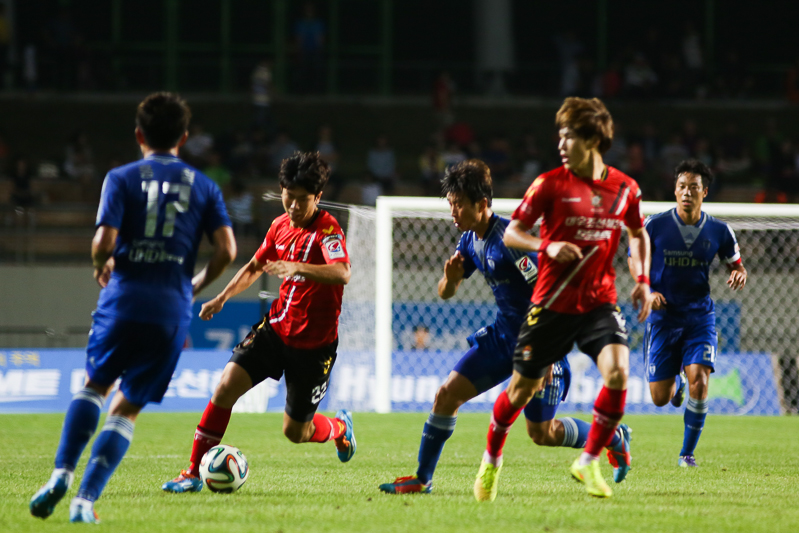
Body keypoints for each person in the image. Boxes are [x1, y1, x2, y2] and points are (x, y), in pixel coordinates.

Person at [29, 92, 237, 523]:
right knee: (126, 408)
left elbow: (103, 242)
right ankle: (84, 502)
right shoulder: (205, 186)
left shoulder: (120, 178)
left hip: (122, 300)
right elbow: (227, 251)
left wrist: (100, 264)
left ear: (139, 135)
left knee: (95, 387)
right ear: (183, 138)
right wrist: (196, 284)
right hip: (170, 309)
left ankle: (61, 474)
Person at [379, 160, 630, 496]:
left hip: (539, 341)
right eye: (450, 204)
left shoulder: (511, 241)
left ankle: (614, 437)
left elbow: (551, 292)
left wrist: (549, 353)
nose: (453, 212)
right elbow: (445, 292)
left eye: (459, 204)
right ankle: (423, 479)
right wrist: (450, 280)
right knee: (446, 396)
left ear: (482, 204)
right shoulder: (469, 240)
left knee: (542, 434)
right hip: (502, 339)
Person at [474, 97, 651, 501]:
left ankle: (588, 461)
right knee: (519, 392)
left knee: (619, 373)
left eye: (568, 136)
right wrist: (547, 245)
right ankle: (491, 460)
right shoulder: (549, 184)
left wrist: (642, 279)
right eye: (560, 135)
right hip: (551, 304)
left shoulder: (625, 188)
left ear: (592, 139)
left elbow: (638, 234)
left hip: (598, 303)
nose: (560, 144)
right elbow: (513, 232)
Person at [162, 151, 355, 494]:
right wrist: (222, 297)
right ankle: (191, 472)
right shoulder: (279, 226)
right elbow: (254, 266)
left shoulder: (327, 230)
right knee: (225, 387)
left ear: (318, 197)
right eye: (288, 196)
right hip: (276, 330)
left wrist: (296, 267)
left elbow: (342, 272)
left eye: (303, 199)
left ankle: (340, 429)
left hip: (314, 347)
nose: (293, 206)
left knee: (296, 432)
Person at [634, 159, 746, 467]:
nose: (687, 192)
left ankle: (687, 454)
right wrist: (647, 289)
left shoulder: (719, 230)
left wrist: (739, 273)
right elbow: (634, 258)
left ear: (704, 192)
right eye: (682, 186)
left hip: (699, 318)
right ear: (674, 190)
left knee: (701, 380)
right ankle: (677, 384)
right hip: (663, 318)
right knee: (659, 397)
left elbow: (736, 264)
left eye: (693, 187)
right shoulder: (655, 225)